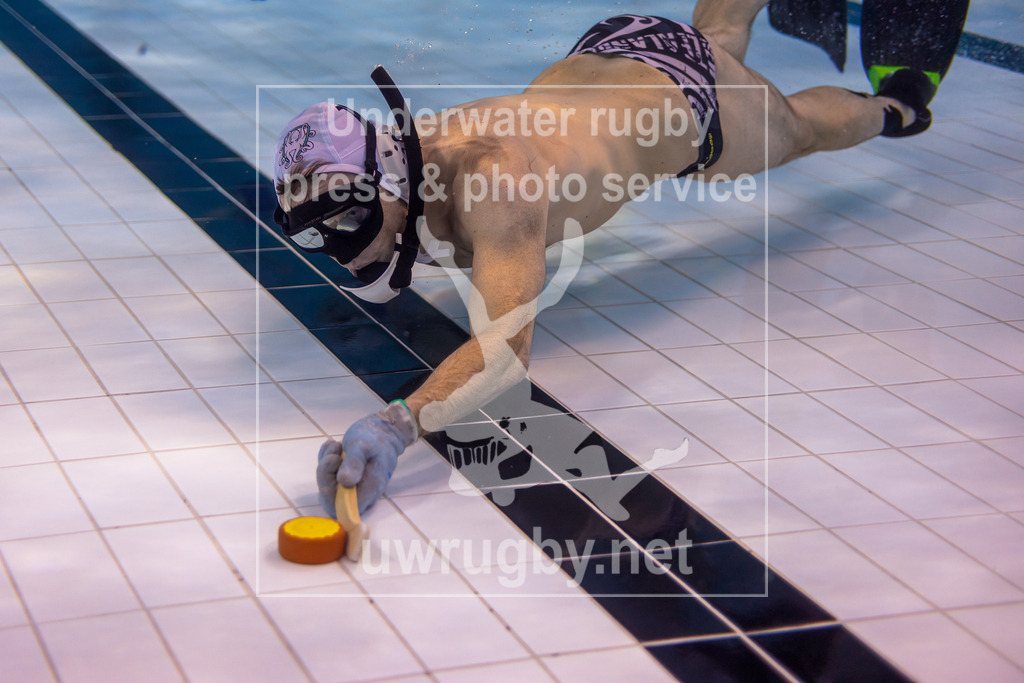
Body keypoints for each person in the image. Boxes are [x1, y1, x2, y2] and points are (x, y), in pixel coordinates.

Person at [272, 0, 938, 515]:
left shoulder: (495, 183)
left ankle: (893, 106)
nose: (341, 243)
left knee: (796, 133)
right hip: (613, 49)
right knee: (720, 43)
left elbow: (503, 358)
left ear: (388, 176)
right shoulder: (401, 155)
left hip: (686, 103)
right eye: (318, 231)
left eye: (351, 218)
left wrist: (396, 426)